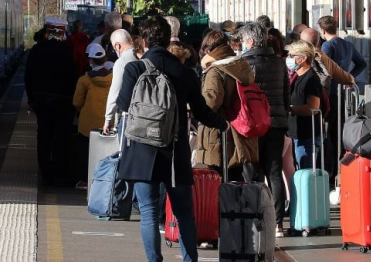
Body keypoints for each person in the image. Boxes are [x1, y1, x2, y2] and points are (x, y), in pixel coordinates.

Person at [115, 16, 230, 262]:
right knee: (184, 212)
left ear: (143, 41)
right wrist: (224, 124)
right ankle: (190, 259)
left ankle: (154, 260)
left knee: (148, 211)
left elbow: (123, 104)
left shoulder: (134, 68)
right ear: (168, 40)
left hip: (142, 149)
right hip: (174, 152)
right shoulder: (184, 72)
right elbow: (201, 112)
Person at [239, 22, 290, 236]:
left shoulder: (244, 63)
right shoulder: (280, 63)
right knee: (274, 171)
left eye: (243, 41)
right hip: (277, 122)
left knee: (252, 171)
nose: (242, 44)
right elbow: (286, 93)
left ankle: (256, 218)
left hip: (254, 123)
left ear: (250, 41)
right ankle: (277, 223)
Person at [194, 30, 259, 183]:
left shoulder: (215, 70)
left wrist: (194, 105)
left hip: (219, 131)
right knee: (235, 179)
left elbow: (211, 102)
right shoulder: (239, 65)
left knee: (218, 180)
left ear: (208, 50)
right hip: (240, 128)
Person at [25, 18, 79, 186]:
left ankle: (45, 170)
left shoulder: (36, 50)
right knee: (61, 136)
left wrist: (31, 98)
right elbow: (73, 76)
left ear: (48, 32)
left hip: (41, 101)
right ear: (62, 33)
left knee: (44, 135)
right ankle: (58, 172)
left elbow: (28, 76)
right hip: (63, 102)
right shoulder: (67, 51)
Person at [317, 15, 366, 180]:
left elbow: (325, 70)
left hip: (330, 93)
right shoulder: (347, 45)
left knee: (327, 133)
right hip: (343, 94)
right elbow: (362, 63)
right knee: (339, 133)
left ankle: (329, 171)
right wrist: (348, 77)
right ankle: (340, 169)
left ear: (323, 30)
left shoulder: (327, 45)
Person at [72, 43, 114, 188]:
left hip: (87, 124)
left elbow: (77, 101)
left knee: (85, 153)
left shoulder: (84, 80)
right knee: (106, 153)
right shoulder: (113, 78)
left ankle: (85, 180)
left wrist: (83, 110)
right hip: (108, 122)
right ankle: (105, 181)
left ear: (90, 61)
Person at [286, 40, 323, 170]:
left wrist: (289, 109)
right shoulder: (296, 76)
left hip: (307, 136)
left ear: (303, 58)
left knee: (305, 175)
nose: (288, 58)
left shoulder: (311, 79)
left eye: (292, 55)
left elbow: (313, 108)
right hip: (296, 134)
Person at [102, 29, 136, 134]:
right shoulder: (140, 55)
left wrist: (108, 119)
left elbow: (115, 92)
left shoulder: (122, 62)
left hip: (127, 115)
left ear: (117, 46)